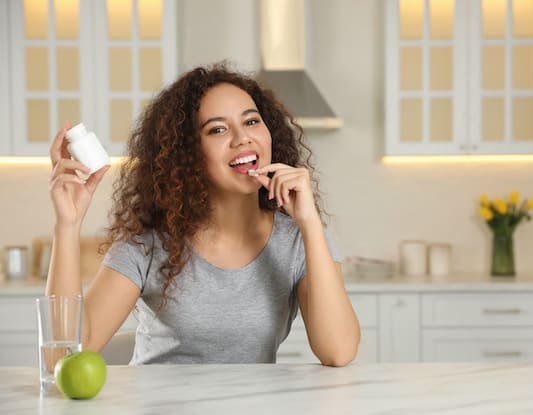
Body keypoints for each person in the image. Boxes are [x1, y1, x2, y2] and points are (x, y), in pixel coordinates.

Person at [46, 63, 360, 366]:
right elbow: (66, 356)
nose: (242, 138)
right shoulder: (150, 243)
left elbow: (338, 351)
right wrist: (68, 225)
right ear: (188, 153)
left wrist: (309, 222)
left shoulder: (298, 239)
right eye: (217, 129)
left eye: (251, 122)